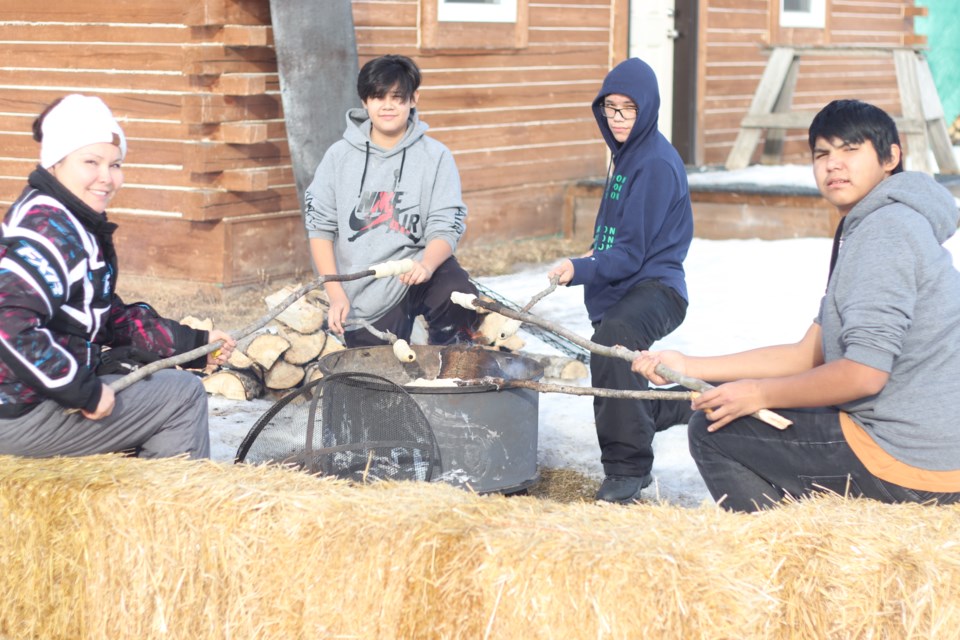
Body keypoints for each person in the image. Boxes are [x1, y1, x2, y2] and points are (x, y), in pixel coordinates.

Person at [633, 99, 960, 513]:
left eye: (850, 149)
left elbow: (864, 375)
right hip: (932, 446)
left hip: (911, 459)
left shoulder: (885, 233)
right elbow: (808, 354)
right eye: (823, 153)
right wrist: (689, 366)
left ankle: (780, 554)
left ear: (891, 157)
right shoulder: (886, 223)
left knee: (714, 430)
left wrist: (758, 394)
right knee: (748, 405)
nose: (833, 165)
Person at [0, 94, 236, 459]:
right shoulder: (46, 231)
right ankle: (168, 512)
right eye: (90, 162)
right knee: (181, 396)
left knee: (154, 381)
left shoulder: (69, 221)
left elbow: (107, 315)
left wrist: (195, 344)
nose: (106, 178)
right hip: (18, 410)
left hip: (28, 399)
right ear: (55, 163)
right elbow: (9, 325)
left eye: (115, 164)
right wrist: (82, 391)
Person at [548, 58, 694, 503]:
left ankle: (628, 472)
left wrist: (579, 268)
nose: (616, 119)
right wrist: (595, 254)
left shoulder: (653, 164)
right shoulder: (626, 157)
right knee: (617, 364)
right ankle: (677, 404)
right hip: (628, 286)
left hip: (657, 289)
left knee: (614, 343)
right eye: (609, 109)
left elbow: (631, 254)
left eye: (627, 109)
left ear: (647, 109)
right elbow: (617, 234)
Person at [303, 54, 480, 347]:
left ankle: (449, 366)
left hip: (418, 273)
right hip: (364, 290)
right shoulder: (339, 156)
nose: (387, 106)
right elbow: (320, 229)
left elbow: (445, 226)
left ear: (413, 99)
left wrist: (426, 264)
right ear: (364, 101)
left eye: (397, 97)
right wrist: (336, 294)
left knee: (456, 291)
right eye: (377, 97)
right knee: (377, 377)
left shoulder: (435, 157)